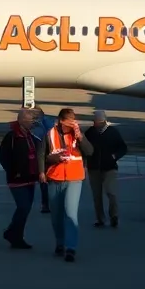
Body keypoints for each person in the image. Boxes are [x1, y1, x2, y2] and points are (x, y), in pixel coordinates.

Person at [38, 107, 94, 262]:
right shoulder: (50, 134)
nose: (72, 124)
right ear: (61, 121)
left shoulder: (78, 134)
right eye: (69, 122)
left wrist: (80, 137)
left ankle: (71, 248)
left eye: (74, 121)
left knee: (70, 213)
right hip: (54, 178)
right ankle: (60, 243)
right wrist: (42, 171)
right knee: (56, 215)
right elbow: (42, 154)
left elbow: (90, 152)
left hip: (74, 178)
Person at [0, 108, 39, 249]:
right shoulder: (12, 137)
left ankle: (17, 236)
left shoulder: (30, 135)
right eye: (30, 120)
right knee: (23, 207)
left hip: (31, 178)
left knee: (25, 209)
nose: (32, 123)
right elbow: (3, 156)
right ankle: (12, 232)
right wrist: (13, 171)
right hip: (17, 179)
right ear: (21, 121)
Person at [85, 109, 128, 228]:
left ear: (102, 122)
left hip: (109, 168)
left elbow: (123, 148)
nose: (94, 123)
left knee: (111, 192)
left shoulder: (113, 132)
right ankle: (100, 218)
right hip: (94, 168)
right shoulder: (90, 132)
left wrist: (114, 156)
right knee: (96, 195)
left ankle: (114, 215)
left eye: (96, 121)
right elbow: (84, 147)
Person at [31, 105, 54, 213]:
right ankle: (46, 204)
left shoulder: (41, 124)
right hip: (46, 153)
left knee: (44, 180)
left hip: (44, 153)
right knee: (45, 181)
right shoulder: (48, 121)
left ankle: (46, 204)